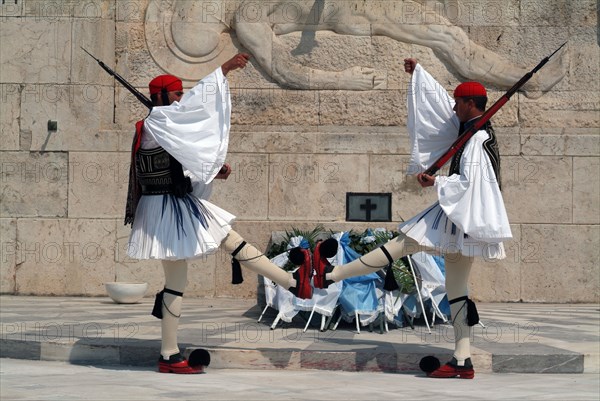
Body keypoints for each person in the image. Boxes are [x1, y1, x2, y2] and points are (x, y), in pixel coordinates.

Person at [124, 53, 317, 374]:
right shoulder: (158, 123)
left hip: (175, 203)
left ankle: (292, 282)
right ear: (160, 97)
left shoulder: (163, 125)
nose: (181, 99)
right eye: (176, 93)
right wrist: (223, 70)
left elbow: (181, 161)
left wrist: (213, 172)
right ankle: (169, 355)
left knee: (230, 238)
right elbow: (192, 114)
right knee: (176, 283)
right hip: (164, 210)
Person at [321, 58, 512, 379]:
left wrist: (436, 181)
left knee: (400, 245)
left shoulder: (478, 139)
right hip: (462, 218)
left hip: (460, 215)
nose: (452, 108)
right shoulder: (472, 131)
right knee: (457, 289)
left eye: (457, 103)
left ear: (468, 103)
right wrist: (419, 76)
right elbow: (436, 112)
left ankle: (330, 276)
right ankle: (463, 361)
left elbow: (471, 183)